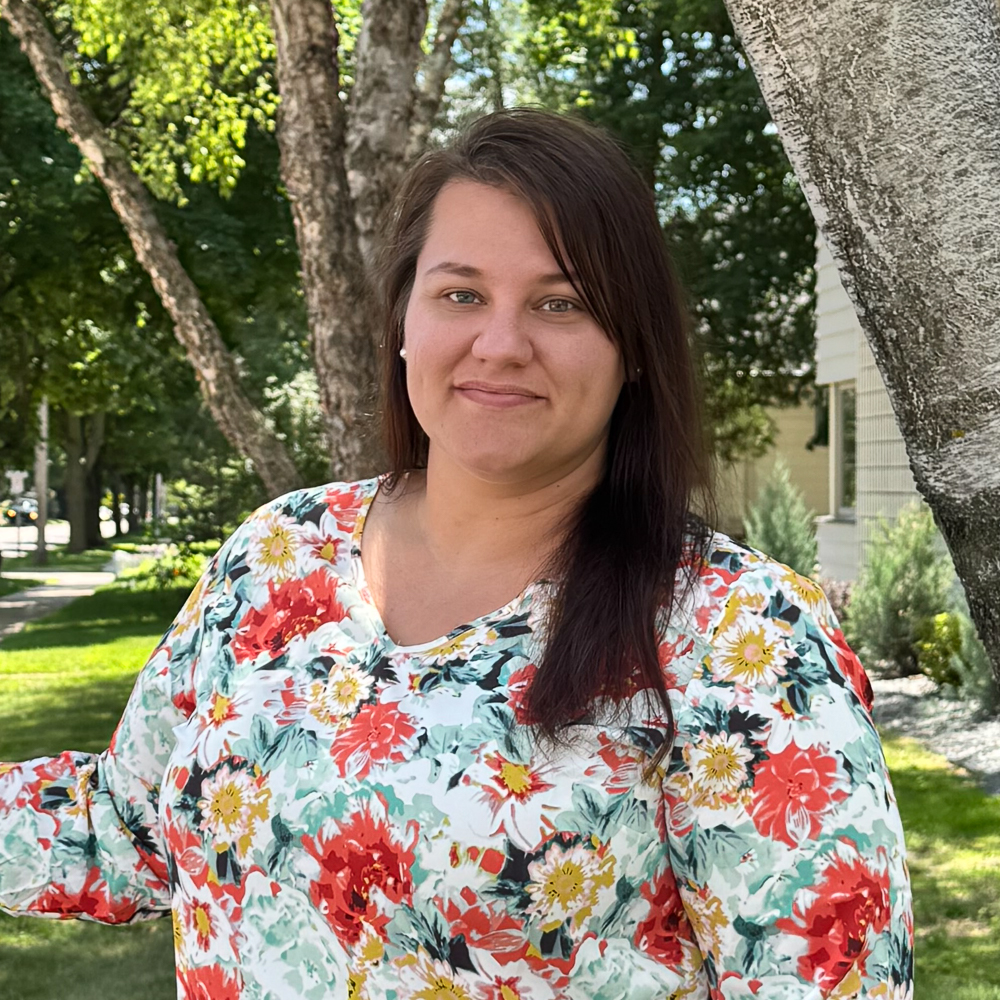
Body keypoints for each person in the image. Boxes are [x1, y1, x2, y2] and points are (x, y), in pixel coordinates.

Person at [0, 109, 912, 1000]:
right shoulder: (275, 556)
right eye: (461, 294)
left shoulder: (743, 639)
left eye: (561, 303)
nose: (501, 344)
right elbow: (126, 831)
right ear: (404, 321)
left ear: (633, 348)